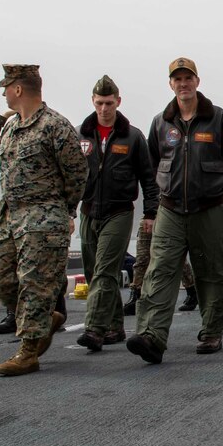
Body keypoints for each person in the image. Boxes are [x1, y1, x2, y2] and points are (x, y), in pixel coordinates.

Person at [127, 57, 223, 364]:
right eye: (177, 79)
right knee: (160, 270)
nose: (183, 84)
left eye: (188, 78)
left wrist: (218, 193)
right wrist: (162, 196)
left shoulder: (219, 118)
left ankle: (211, 331)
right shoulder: (161, 122)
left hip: (210, 209)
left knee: (213, 272)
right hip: (171, 209)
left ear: (197, 81)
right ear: (171, 84)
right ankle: (152, 336)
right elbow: (153, 162)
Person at [0, 64, 88, 376]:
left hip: (43, 219)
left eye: (6, 87)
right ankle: (45, 319)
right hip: (10, 216)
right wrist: (2, 117)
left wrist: (64, 211)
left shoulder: (55, 126)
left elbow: (77, 174)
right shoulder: (11, 128)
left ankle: (28, 352)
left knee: (35, 284)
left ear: (18, 89)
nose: (3, 93)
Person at [74, 76, 159, 352]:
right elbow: (70, 177)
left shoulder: (132, 137)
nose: (104, 108)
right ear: (92, 101)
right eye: (99, 103)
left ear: (118, 102)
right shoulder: (79, 135)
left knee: (104, 271)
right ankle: (114, 326)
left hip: (119, 212)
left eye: (109, 103)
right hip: (88, 211)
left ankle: (94, 329)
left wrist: (151, 213)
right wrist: (69, 212)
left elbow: (149, 178)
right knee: (93, 273)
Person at [123, 214, 197, 326]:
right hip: (150, 214)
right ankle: (136, 295)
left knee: (174, 256)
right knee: (142, 258)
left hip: (169, 214)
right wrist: (148, 214)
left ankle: (192, 291)